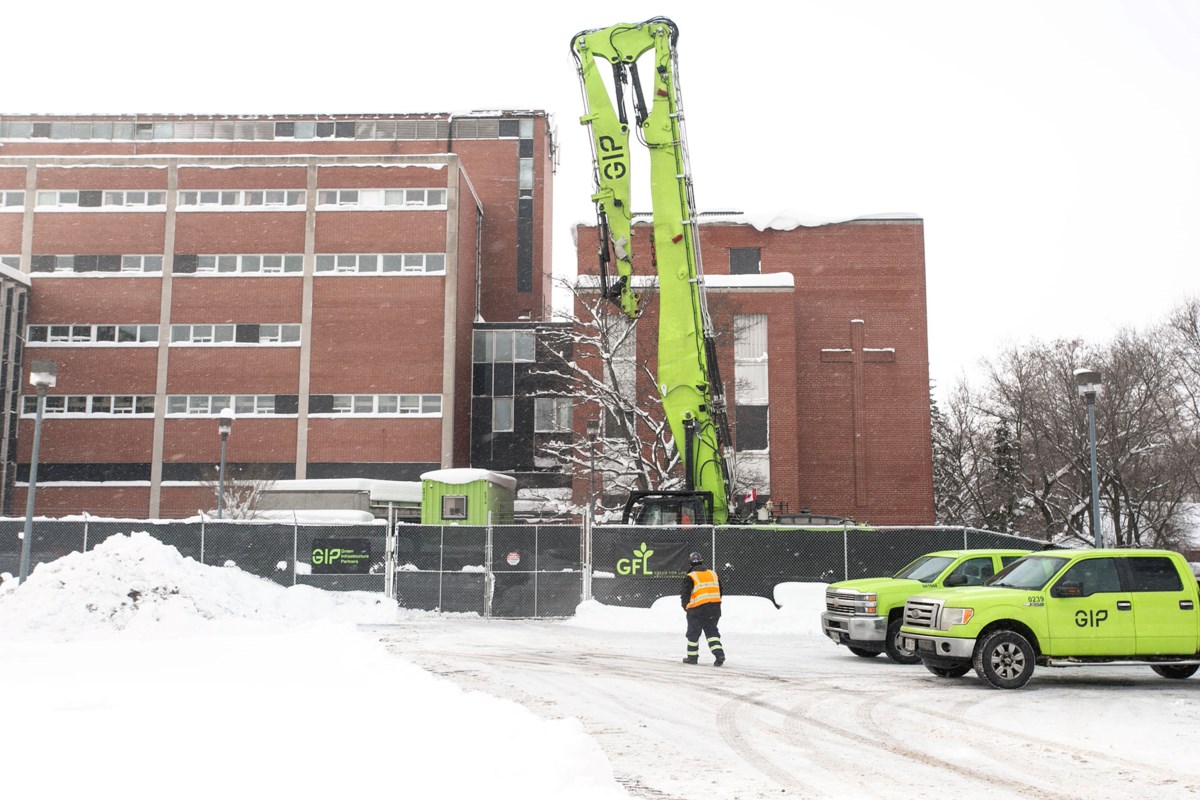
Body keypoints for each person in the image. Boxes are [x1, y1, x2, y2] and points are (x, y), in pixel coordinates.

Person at [680, 551, 725, 666]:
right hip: (714, 609)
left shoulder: (691, 576)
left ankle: (692, 658)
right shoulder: (713, 574)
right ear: (701, 561)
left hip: (697, 610)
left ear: (690, 562)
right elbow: (720, 590)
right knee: (712, 632)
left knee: (693, 634)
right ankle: (719, 655)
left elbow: (685, 595)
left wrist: (686, 607)